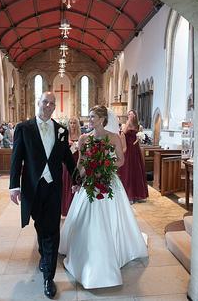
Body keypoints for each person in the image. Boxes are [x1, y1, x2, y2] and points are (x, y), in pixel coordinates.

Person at [59, 105, 148, 289]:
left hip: (108, 180)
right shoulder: (84, 138)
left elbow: (121, 160)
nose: (89, 120)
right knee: (85, 217)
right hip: (89, 182)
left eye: (92, 117)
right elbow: (82, 163)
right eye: (89, 117)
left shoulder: (113, 137)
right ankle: (84, 254)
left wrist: (104, 166)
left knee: (109, 218)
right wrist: (78, 180)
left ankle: (112, 252)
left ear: (102, 118)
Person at [9, 91, 76, 299]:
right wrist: (14, 186)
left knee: (52, 230)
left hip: (53, 187)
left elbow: (67, 159)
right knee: (40, 225)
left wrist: (77, 180)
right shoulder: (23, 128)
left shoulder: (62, 131)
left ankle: (49, 276)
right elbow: (16, 158)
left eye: (52, 103)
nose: (48, 106)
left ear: (55, 107)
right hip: (33, 187)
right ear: (38, 103)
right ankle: (44, 255)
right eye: (45, 102)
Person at [118, 110, 149, 203]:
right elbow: (123, 132)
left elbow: (139, 139)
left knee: (137, 171)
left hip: (135, 150)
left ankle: (139, 194)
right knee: (127, 171)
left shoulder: (139, 126)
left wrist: (139, 138)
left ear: (135, 115)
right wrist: (129, 121)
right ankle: (128, 195)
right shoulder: (124, 125)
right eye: (129, 114)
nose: (131, 115)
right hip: (127, 150)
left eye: (132, 114)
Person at [61, 117, 81, 216]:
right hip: (67, 162)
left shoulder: (80, 135)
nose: (72, 125)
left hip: (77, 160)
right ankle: (66, 208)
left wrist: (78, 146)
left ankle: (76, 208)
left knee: (76, 181)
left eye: (74, 123)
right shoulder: (65, 135)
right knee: (67, 182)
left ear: (77, 124)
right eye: (71, 123)